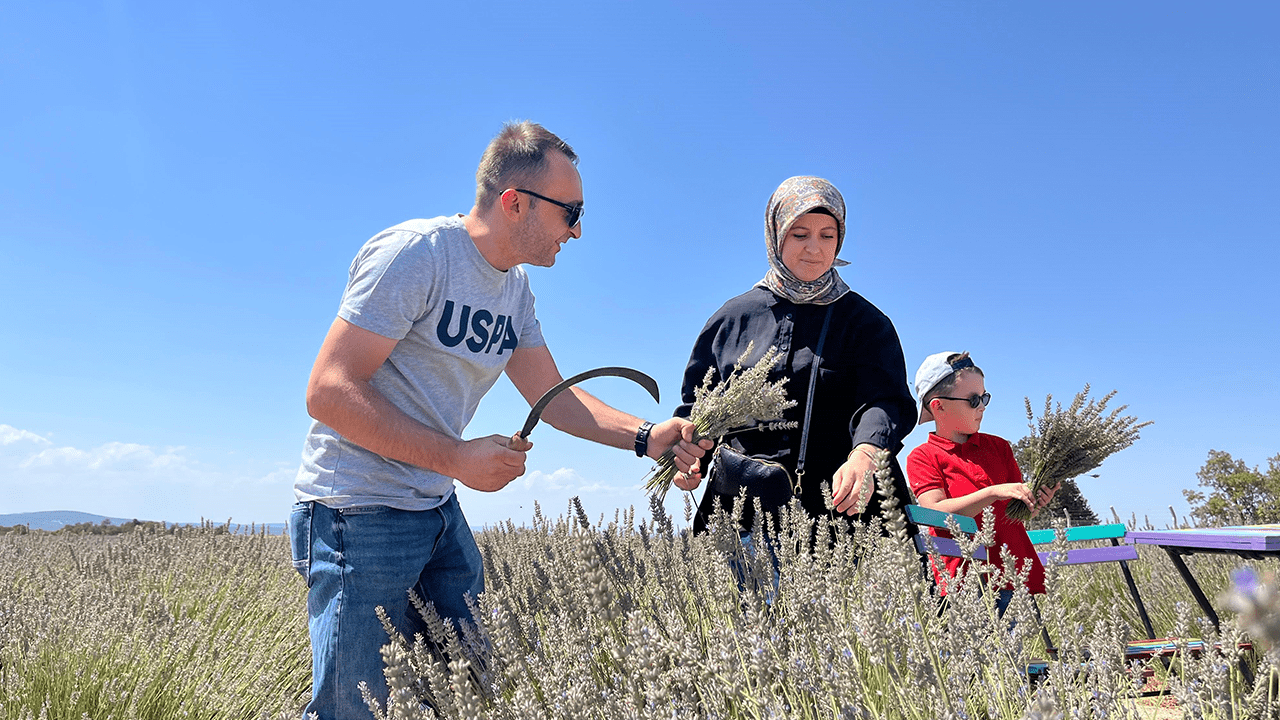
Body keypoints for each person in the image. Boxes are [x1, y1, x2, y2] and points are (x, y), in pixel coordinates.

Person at [288, 121, 709, 720]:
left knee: (472, 687)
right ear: (515, 202)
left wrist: (646, 437)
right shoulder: (418, 254)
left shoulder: (515, 292)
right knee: (352, 709)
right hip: (356, 510)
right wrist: (456, 459)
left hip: (433, 509)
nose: (578, 230)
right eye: (571, 211)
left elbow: (556, 399)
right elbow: (328, 391)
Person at [672, 176, 917, 541]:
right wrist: (690, 455)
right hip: (742, 517)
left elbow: (885, 401)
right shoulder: (732, 318)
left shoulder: (867, 323)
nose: (814, 249)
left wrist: (868, 451)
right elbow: (699, 405)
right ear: (776, 234)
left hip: (844, 518)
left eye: (827, 235)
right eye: (800, 234)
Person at [906, 351, 1059, 612]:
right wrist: (991, 493)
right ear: (938, 406)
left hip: (1012, 574)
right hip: (965, 580)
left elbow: (1014, 516)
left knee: (1013, 653)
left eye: (984, 397)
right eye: (973, 399)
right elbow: (933, 512)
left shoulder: (999, 448)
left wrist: (1034, 502)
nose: (982, 406)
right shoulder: (923, 457)